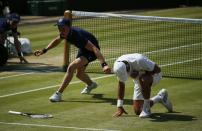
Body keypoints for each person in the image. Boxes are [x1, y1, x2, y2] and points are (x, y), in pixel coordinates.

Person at [34, 18, 111, 102]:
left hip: (91, 52)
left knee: (71, 67)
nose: (61, 31)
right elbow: (56, 40)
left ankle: (58, 94)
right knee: (79, 75)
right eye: (59, 28)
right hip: (83, 49)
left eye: (63, 28)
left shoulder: (77, 35)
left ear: (69, 27)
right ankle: (91, 84)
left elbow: (94, 48)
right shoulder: (65, 33)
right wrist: (44, 50)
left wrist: (104, 65)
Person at [113, 53, 173, 118]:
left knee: (143, 79)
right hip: (139, 79)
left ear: (127, 67)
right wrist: (119, 106)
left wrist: (140, 73)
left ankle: (147, 110)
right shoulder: (118, 67)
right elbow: (121, 85)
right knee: (138, 110)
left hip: (154, 75)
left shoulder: (139, 60)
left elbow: (158, 69)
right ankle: (160, 97)